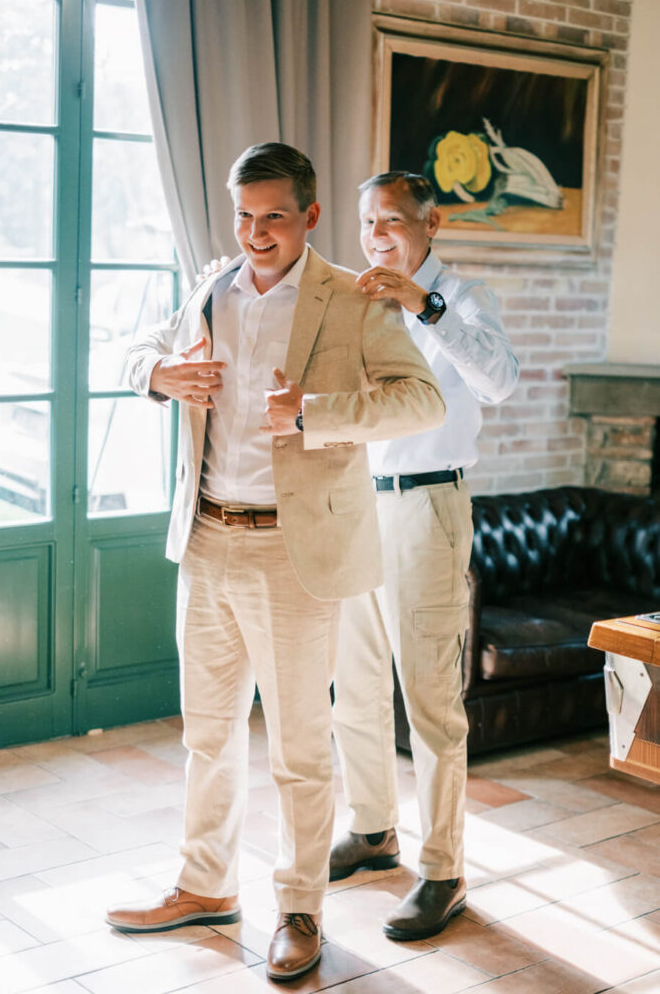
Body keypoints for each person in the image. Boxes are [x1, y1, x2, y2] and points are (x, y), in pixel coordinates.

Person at [104, 146, 446, 981]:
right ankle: (205, 884)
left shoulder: (351, 299)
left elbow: (421, 398)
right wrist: (160, 373)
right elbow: (132, 347)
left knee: (299, 748)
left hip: (296, 553)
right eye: (244, 216)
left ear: (311, 217)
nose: (255, 235)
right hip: (209, 540)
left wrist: (318, 413)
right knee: (208, 736)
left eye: (274, 217)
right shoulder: (212, 287)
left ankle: (300, 909)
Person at [330, 171, 519, 940]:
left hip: (430, 505)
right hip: (357, 505)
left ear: (429, 223)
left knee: (431, 702)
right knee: (358, 686)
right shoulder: (355, 302)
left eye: (392, 222)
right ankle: (373, 829)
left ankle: (444, 871)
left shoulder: (464, 301)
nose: (378, 235)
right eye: (366, 222)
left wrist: (424, 305)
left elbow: (501, 383)